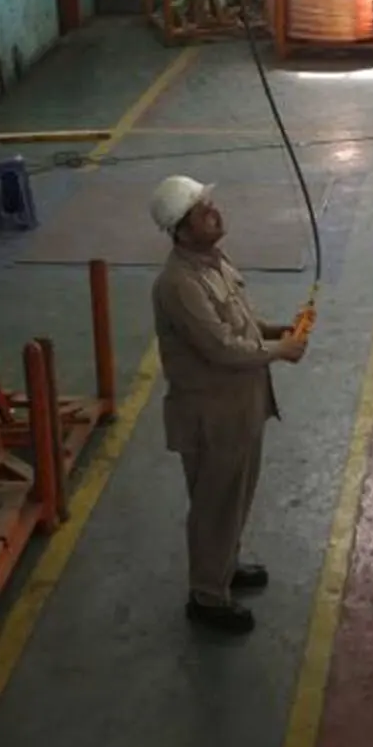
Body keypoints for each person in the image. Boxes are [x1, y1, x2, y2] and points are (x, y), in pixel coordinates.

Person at [149, 175, 308, 634]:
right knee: (214, 503)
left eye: (212, 203)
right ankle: (207, 596)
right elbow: (220, 347)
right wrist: (281, 351)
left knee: (236, 494)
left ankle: (225, 565)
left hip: (241, 403)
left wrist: (277, 331)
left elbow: (240, 321)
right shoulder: (179, 284)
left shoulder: (212, 260)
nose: (215, 212)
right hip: (211, 413)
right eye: (203, 211)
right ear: (180, 230)